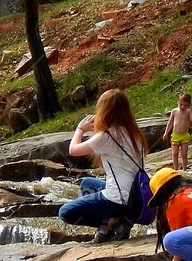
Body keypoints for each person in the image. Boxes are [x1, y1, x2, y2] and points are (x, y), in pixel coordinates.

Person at [58, 89, 149, 243]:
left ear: (104, 112)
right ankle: (113, 223)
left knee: (65, 213)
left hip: (119, 200)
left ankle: (110, 223)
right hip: (136, 197)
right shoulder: (134, 133)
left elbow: (73, 150)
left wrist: (80, 129)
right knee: (87, 183)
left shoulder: (107, 137)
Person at [162, 93, 192, 170]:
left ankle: (184, 169)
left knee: (184, 154)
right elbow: (170, 123)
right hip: (175, 135)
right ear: (178, 102)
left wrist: (191, 109)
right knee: (175, 153)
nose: (182, 107)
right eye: (181, 104)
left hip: (184, 135)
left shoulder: (188, 112)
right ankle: (176, 169)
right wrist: (166, 132)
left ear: (188, 105)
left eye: (185, 105)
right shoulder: (174, 111)